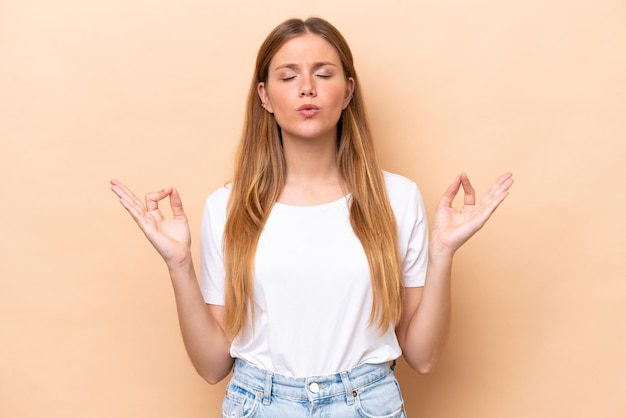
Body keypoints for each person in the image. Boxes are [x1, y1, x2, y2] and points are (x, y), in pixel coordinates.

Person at [110, 16, 513, 418]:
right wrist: (178, 265)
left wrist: (442, 254)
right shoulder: (228, 208)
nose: (307, 88)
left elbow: (422, 357)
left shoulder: (398, 199)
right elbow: (212, 365)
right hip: (261, 405)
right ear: (264, 97)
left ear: (348, 91)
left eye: (323, 74)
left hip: (367, 404)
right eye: (288, 77)